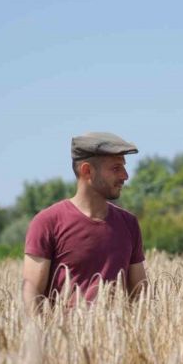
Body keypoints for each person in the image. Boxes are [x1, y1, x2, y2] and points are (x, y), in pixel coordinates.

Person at [22, 132, 147, 315]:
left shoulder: (129, 224)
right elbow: (31, 297)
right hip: (64, 340)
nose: (125, 176)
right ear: (87, 170)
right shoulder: (47, 222)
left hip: (117, 341)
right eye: (116, 168)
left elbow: (140, 296)